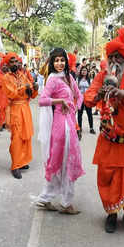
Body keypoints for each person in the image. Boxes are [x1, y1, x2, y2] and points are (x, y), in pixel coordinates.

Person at [84, 26, 124, 233]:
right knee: (107, 175)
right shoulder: (102, 75)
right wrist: (100, 94)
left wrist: (123, 92)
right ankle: (111, 214)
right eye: (112, 57)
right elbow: (88, 99)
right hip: (109, 137)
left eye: (120, 57)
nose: (115, 61)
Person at [37, 48, 84, 214]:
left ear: (66, 61)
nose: (59, 63)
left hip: (69, 123)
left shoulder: (69, 77)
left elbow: (80, 96)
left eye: (62, 60)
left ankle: (47, 198)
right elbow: (42, 100)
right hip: (60, 126)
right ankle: (64, 202)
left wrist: (74, 109)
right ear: (52, 62)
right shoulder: (52, 79)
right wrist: (60, 101)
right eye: (56, 60)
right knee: (61, 162)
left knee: (65, 162)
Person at [2, 52, 38, 179]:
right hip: (15, 109)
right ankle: (15, 166)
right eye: (11, 62)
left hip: (25, 109)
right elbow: (11, 94)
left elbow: (31, 95)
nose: (15, 64)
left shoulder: (23, 75)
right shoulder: (5, 77)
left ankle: (22, 161)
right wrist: (24, 88)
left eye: (16, 61)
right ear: (7, 64)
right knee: (16, 138)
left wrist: (35, 88)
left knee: (26, 136)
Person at [77, 65, 95, 139]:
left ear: (87, 72)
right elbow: (76, 88)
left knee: (89, 114)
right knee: (80, 113)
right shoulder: (78, 79)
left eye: (85, 70)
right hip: (80, 99)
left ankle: (91, 128)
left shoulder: (90, 80)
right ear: (81, 71)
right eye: (83, 70)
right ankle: (79, 128)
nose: (84, 72)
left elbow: (92, 89)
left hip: (87, 99)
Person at [0, 61, 9, 131]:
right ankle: (1, 124)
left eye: (6, 65)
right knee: (1, 109)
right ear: (1, 66)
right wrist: (5, 82)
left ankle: (5, 123)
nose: (5, 67)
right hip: (0, 95)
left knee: (7, 109)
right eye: (3, 65)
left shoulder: (8, 73)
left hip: (7, 95)